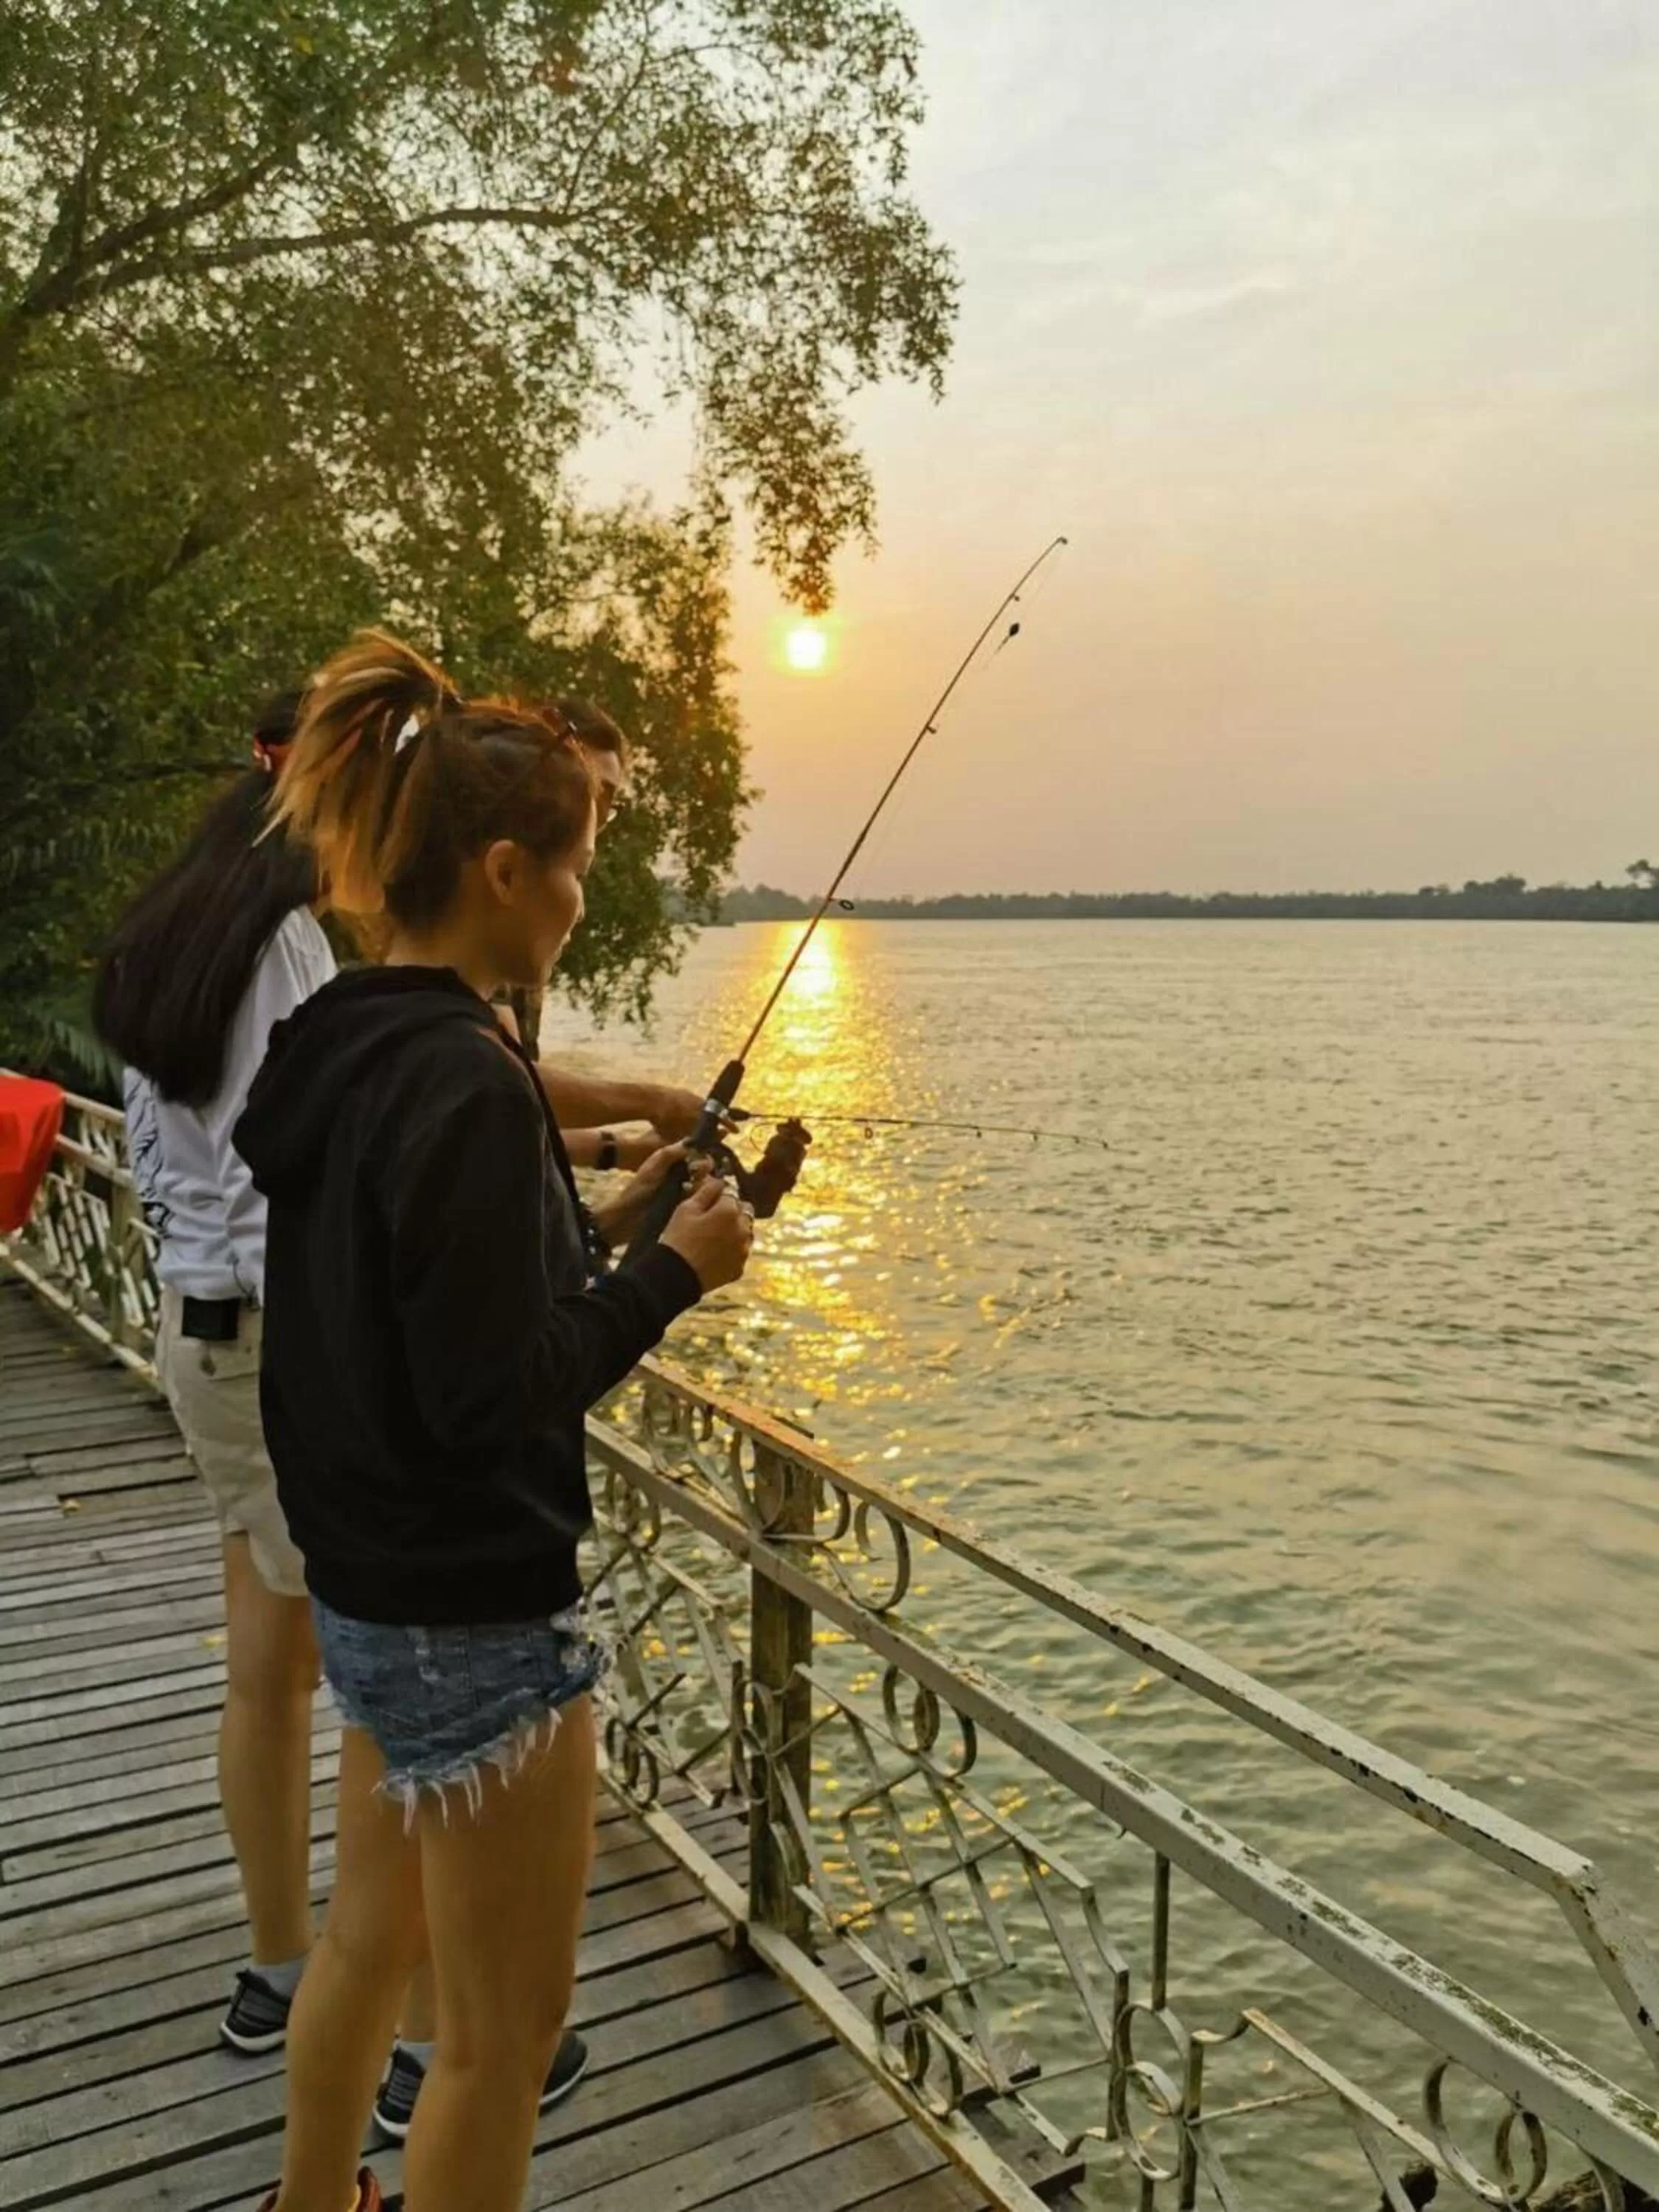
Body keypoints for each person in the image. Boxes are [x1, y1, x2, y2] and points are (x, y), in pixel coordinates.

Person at [234, 631, 754, 2212]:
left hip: (370, 1590)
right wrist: (674, 1275)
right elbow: (493, 1396)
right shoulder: (464, 1077)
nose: (589, 900)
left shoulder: (350, 1041)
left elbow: (435, 1303)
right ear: (508, 870)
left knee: (366, 1942)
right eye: (583, 867)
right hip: (472, 1612)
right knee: (499, 2040)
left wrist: (616, 1220)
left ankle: (314, 2203)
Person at [93, 692, 333, 2055]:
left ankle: (281, 1966)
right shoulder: (284, 949)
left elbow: (158, 1160)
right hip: (265, 1348)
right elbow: (275, 1188)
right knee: (370, 1674)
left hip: (202, 1337)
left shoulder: (166, 933)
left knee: (267, 1666)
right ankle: (407, 2027)